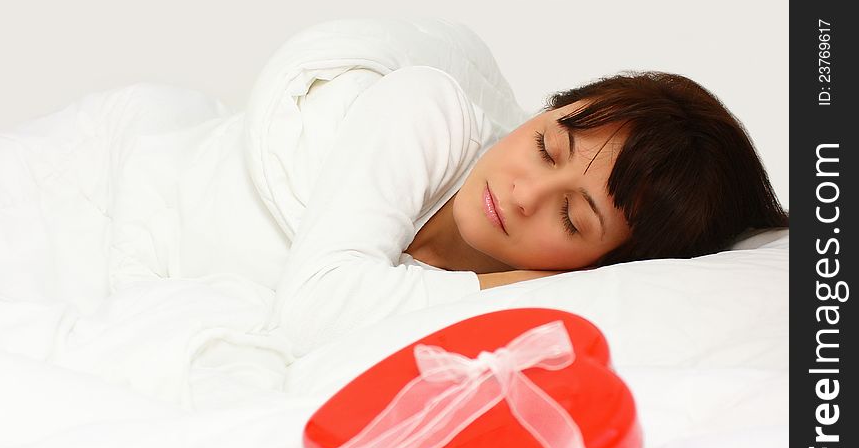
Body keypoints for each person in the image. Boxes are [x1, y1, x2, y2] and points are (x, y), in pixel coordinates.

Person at [271, 66, 788, 354]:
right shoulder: (426, 111)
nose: (524, 194)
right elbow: (312, 315)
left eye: (572, 218)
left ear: (602, 265)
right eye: (545, 147)